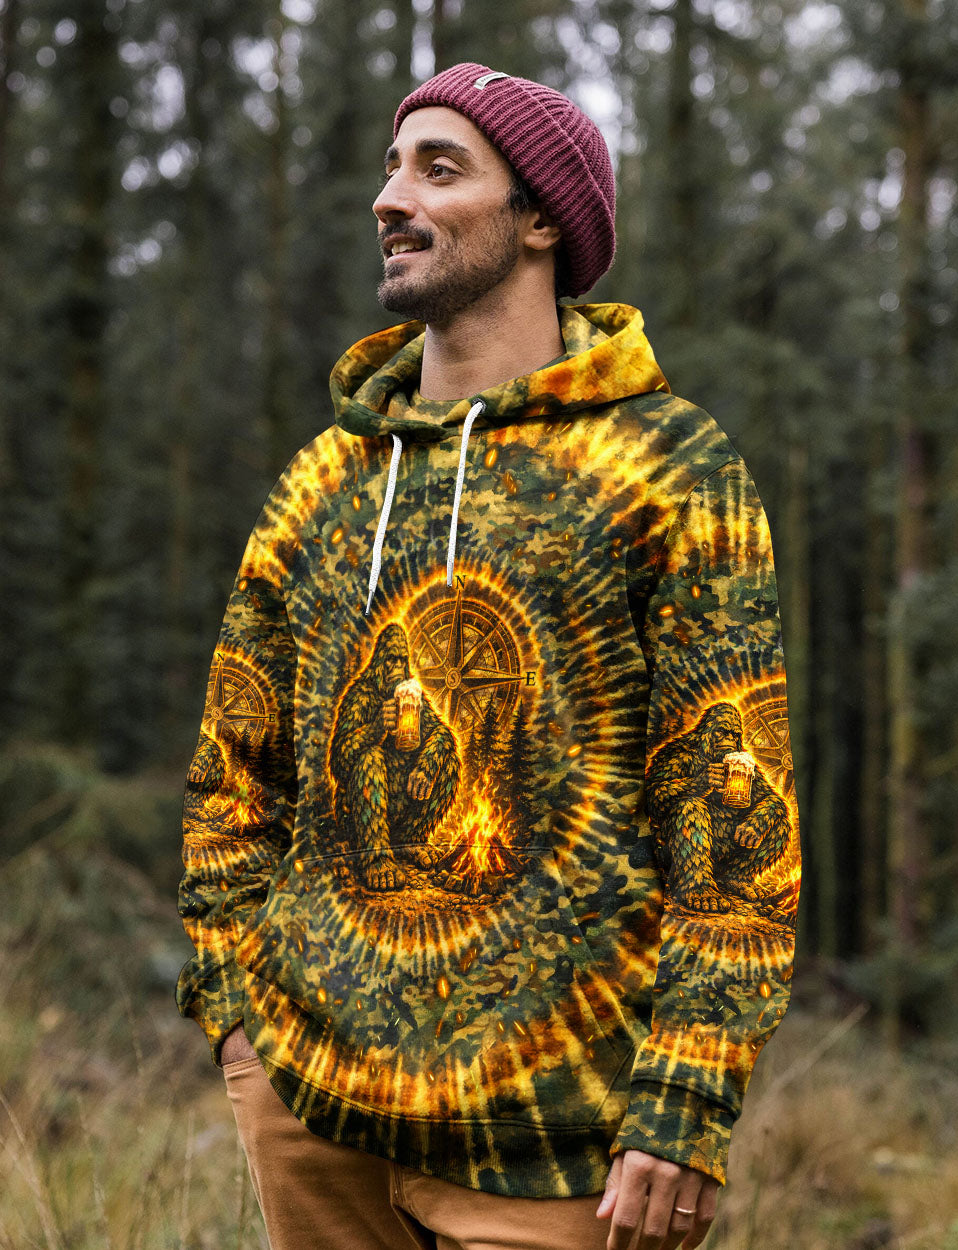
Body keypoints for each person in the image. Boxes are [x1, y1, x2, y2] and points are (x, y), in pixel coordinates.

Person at [176, 62, 800, 1250]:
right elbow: (232, 770)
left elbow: (734, 811)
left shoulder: (668, 470)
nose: (389, 196)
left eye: (438, 168)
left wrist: (687, 1097)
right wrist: (237, 1013)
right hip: (310, 1107)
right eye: (390, 167)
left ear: (540, 220)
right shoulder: (325, 479)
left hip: (560, 1135)